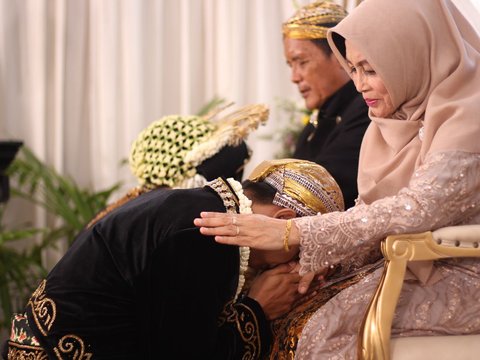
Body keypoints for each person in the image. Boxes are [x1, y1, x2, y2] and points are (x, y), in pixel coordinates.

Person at [195, 0, 480, 358]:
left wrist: (294, 232)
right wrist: (321, 264)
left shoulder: (468, 111)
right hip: (401, 263)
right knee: (292, 307)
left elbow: (421, 208)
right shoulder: (388, 123)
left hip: (461, 269)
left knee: (321, 328)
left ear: (410, 53)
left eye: (371, 70)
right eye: (354, 69)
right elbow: (371, 209)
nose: (360, 85)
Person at [3, 109, 345, 358]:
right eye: (299, 247)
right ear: (282, 220)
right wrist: (257, 310)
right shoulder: (206, 233)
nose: (295, 267)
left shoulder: (204, 208)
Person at [283, 0, 370, 209]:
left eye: (302, 62)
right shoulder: (320, 118)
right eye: (290, 65)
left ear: (341, 56)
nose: (294, 77)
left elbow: (316, 191)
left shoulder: (366, 109)